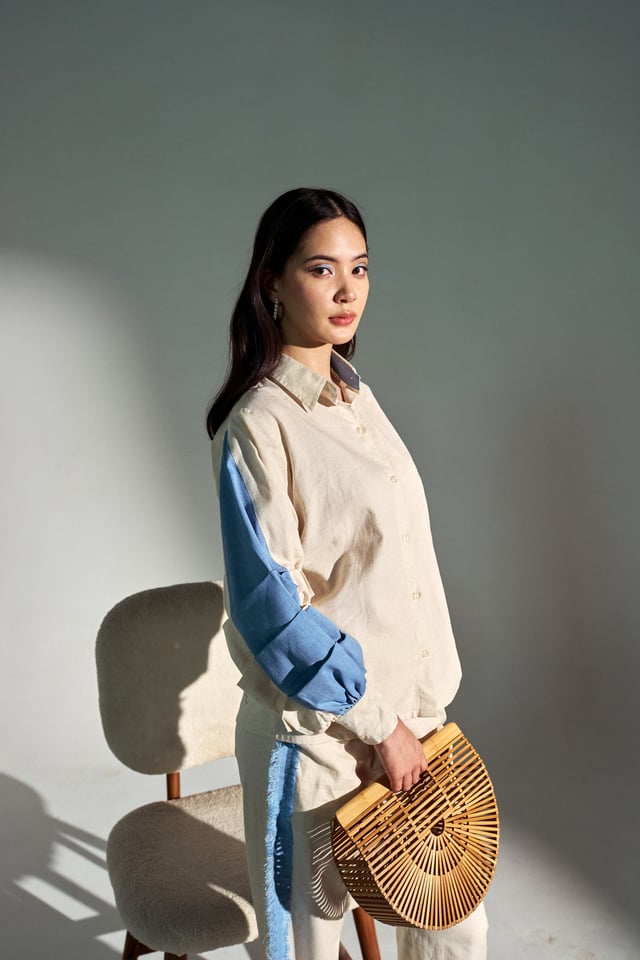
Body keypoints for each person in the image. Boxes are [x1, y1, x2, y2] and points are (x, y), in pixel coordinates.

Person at [208, 188, 488, 960]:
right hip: (317, 744)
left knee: (455, 930)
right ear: (271, 281)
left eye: (359, 268)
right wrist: (379, 725)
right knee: (307, 945)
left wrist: (413, 714)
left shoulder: (358, 399)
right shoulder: (258, 425)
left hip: (412, 726)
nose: (346, 290)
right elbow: (271, 609)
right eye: (321, 268)